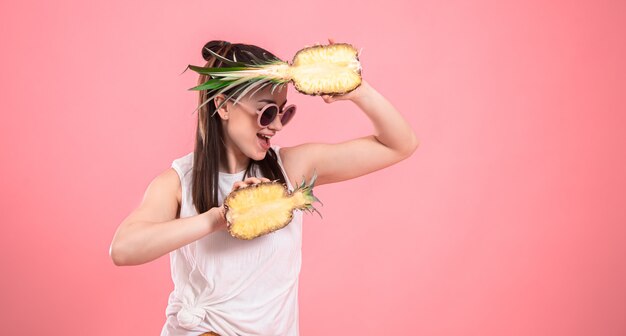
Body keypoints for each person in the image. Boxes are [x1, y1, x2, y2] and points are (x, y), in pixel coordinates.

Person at [109, 39, 419, 336]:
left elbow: (400, 145)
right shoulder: (178, 182)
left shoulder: (291, 168)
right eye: (267, 112)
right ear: (224, 106)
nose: (277, 125)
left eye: (284, 112)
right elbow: (123, 249)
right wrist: (218, 218)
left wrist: (357, 90)